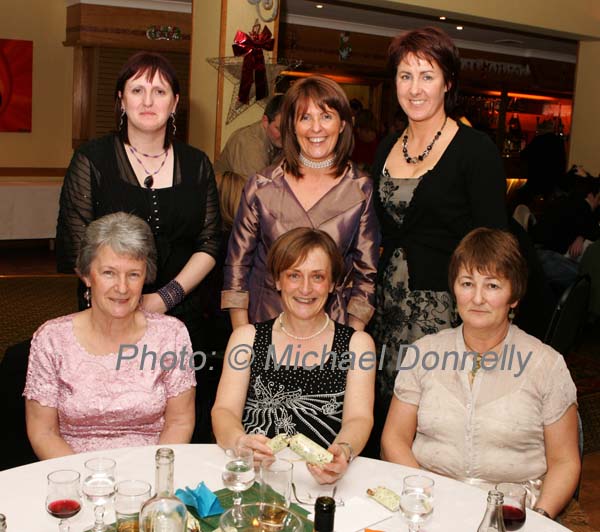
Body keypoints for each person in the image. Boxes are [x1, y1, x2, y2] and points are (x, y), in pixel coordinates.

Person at [55, 51, 220, 441]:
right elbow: (78, 245)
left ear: (175, 102)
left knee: (178, 422)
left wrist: (165, 297)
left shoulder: (197, 164)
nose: (148, 101)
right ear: (121, 99)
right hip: (106, 316)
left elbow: (210, 241)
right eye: (138, 89)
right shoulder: (91, 160)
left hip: (182, 318)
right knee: (107, 419)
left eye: (160, 90)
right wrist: (121, 298)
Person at [381, 228, 580, 519]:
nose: (477, 298)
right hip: (430, 508)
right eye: (467, 283)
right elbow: (394, 439)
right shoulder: (423, 353)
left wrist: (540, 516)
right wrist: (422, 498)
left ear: (514, 295)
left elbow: (565, 461)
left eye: (493, 286)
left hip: (514, 516)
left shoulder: (546, 365)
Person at [370, 27, 507, 407]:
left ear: (448, 82)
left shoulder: (475, 150)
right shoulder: (386, 146)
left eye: (427, 76)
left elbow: (495, 244)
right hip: (387, 306)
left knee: (437, 412)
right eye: (405, 75)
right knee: (389, 407)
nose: (415, 89)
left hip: (448, 310)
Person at [24, 213, 196, 458]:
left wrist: (152, 476)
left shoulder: (172, 335)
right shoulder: (51, 339)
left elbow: (179, 422)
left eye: (134, 274)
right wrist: (89, 481)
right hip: (74, 475)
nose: (122, 287)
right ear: (85, 275)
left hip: (149, 473)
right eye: (109, 273)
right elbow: (44, 432)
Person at [212, 228, 375, 484]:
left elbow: (359, 418)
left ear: (332, 283)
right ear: (278, 280)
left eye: (318, 277)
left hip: (320, 482)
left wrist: (343, 451)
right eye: (294, 275)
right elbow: (223, 411)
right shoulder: (246, 338)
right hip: (253, 477)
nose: (306, 288)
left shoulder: (357, 345)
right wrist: (240, 443)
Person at [222, 75, 380, 332]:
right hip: (267, 323)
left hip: (332, 328)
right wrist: (243, 337)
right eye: (305, 117)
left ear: (342, 124)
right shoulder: (262, 186)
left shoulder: (360, 188)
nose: (316, 128)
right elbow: (237, 267)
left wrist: (351, 340)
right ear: (292, 126)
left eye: (326, 116)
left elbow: (366, 275)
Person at [214, 94, 284, 179]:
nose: (286, 135)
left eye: (290, 129)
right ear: (265, 121)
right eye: (280, 129)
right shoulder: (248, 143)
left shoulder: (278, 139)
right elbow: (256, 190)